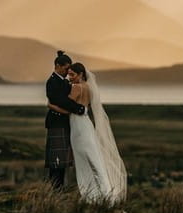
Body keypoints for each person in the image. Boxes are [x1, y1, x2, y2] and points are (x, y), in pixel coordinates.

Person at [48, 62, 127, 203]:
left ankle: (92, 194)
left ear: (81, 75)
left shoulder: (77, 88)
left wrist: (52, 106)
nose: (69, 77)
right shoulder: (89, 88)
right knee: (93, 157)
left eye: (72, 74)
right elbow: (82, 107)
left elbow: (67, 108)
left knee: (83, 160)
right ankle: (104, 192)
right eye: (69, 74)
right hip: (86, 124)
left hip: (78, 127)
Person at [44, 51, 86, 189]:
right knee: (56, 163)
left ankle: (58, 191)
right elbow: (61, 101)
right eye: (66, 68)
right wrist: (79, 109)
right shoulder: (51, 82)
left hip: (64, 124)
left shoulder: (64, 81)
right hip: (56, 124)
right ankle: (54, 192)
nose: (68, 71)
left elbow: (65, 100)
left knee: (61, 163)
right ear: (58, 65)